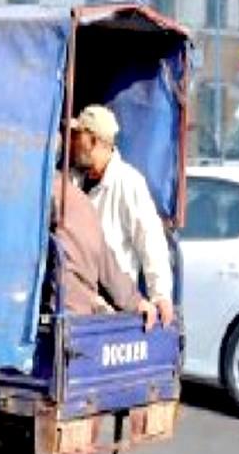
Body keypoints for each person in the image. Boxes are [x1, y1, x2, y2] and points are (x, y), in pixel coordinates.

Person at [68, 104, 174, 326]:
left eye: (79, 136)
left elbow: (150, 240)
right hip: (79, 306)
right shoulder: (72, 180)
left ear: (94, 141)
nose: (73, 142)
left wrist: (160, 294)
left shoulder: (128, 183)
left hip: (115, 310)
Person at [50, 175, 157, 328]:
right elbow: (106, 261)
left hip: (66, 313)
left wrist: (143, 299)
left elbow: (150, 240)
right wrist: (136, 301)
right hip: (75, 314)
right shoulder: (76, 198)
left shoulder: (66, 197)